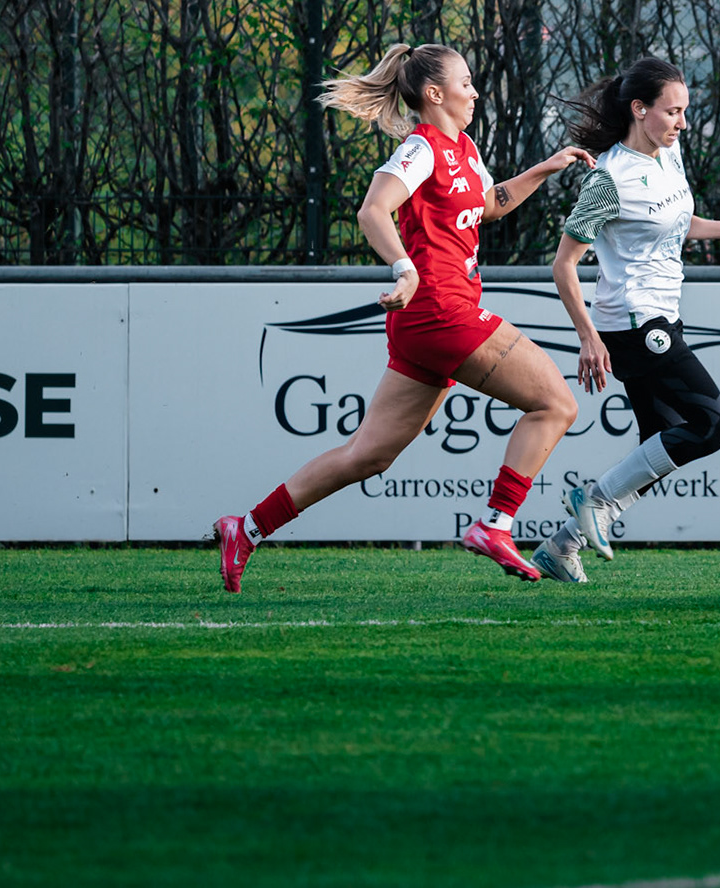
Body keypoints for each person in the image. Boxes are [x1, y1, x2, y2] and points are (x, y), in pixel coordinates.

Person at [212, 43, 594, 590]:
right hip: (440, 308)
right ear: (435, 94)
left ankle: (245, 528)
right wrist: (403, 268)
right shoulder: (421, 149)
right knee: (556, 403)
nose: (475, 92)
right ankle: (496, 524)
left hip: (427, 320)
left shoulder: (462, 146)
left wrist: (546, 168)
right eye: (466, 82)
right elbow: (373, 208)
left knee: (367, 455)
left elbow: (489, 204)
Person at [532, 56, 720, 583]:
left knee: (662, 440)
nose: (682, 123)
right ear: (639, 109)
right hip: (630, 326)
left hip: (661, 319)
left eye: (684, 112)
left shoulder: (668, 158)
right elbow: (563, 265)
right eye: (673, 112)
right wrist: (587, 338)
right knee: (713, 425)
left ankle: (562, 545)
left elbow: (676, 221)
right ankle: (591, 501)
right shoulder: (608, 179)